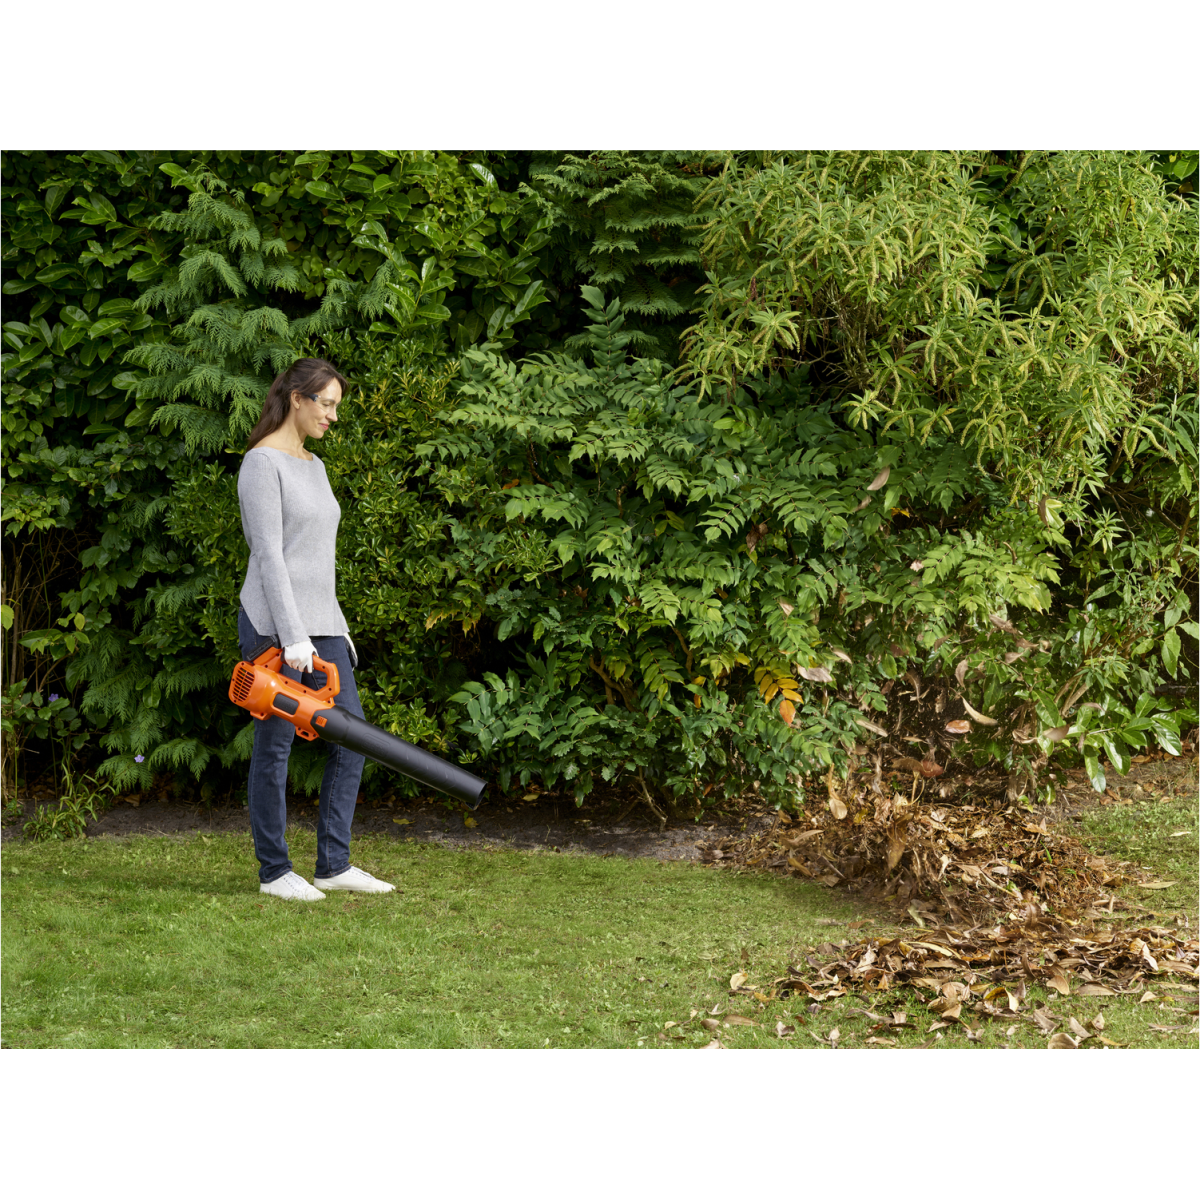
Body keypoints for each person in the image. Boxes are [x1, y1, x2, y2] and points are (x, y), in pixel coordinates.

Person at [236, 357, 394, 900]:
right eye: (325, 404)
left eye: (335, 406)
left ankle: (334, 864)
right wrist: (292, 636)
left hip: (322, 626)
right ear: (296, 398)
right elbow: (270, 556)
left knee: (353, 741)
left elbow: (318, 558)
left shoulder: (315, 465)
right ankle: (275, 871)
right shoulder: (262, 463)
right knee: (276, 747)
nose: (332, 416)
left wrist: (336, 626)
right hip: (274, 627)